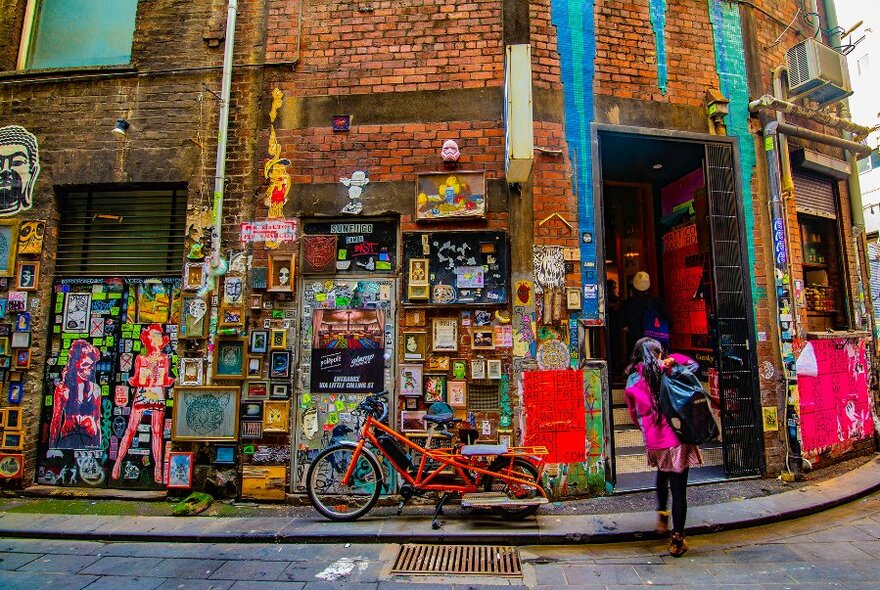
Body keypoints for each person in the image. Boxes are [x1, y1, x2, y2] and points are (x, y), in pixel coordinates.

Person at [624, 337, 703, 557]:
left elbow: (633, 415)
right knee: (679, 491)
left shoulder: (633, 380)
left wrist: (647, 428)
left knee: (662, 474)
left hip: (655, 441)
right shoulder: (671, 371)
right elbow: (693, 365)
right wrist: (672, 360)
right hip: (677, 437)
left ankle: (661, 517)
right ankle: (677, 539)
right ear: (659, 353)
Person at [48, 340, 102, 450]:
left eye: (91, 366)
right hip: (69, 439)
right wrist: (52, 448)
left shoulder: (95, 389)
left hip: (90, 439)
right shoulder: (63, 389)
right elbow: (56, 422)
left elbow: (97, 420)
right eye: (85, 365)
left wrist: (98, 448)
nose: (88, 371)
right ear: (75, 363)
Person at [619, 271, 665, 354]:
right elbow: (668, 322)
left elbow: (620, 323)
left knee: (638, 366)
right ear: (649, 287)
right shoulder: (658, 303)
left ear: (633, 287)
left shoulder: (628, 304)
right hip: (656, 343)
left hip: (636, 344)